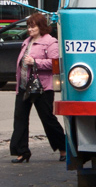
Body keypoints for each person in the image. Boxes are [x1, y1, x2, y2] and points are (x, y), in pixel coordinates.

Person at [9, 12, 65, 163]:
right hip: (23, 86)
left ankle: (64, 148)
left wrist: (36, 62)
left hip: (42, 88)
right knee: (20, 118)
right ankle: (22, 152)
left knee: (47, 118)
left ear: (41, 26)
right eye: (28, 26)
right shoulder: (27, 42)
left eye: (33, 26)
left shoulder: (50, 42)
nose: (30, 29)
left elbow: (55, 65)